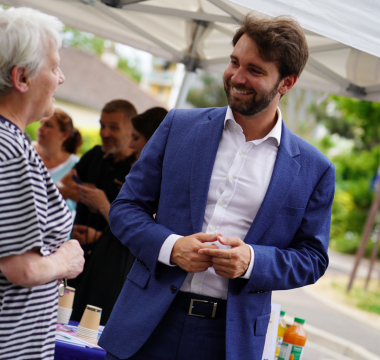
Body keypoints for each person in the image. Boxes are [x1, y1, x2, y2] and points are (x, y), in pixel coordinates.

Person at [99, 14, 335, 360]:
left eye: (254, 70)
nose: (236, 77)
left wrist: (251, 261)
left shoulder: (315, 169)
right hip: (146, 323)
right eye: (234, 62)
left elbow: (312, 258)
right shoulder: (178, 126)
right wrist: (171, 246)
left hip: (229, 340)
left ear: (286, 83)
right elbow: (125, 208)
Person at [0, 7, 85, 360]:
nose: (61, 78)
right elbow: (22, 267)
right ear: (21, 78)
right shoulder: (11, 149)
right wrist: (65, 258)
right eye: (53, 66)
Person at [60, 99, 138, 325]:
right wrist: (80, 193)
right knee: (62, 321)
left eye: (113, 127)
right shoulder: (95, 155)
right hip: (75, 258)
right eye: (102, 125)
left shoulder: (136, 169)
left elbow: (136, 225)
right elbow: (64, 186)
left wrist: (104, 205)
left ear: (131, 129)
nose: (105, 133)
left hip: (107, 270)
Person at [34, 108, 82, 216]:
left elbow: (73, 204)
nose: (41, 128)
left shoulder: (75, 165)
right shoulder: (27, 151)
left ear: (64, 135)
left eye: (48, 125)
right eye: (41, 123)